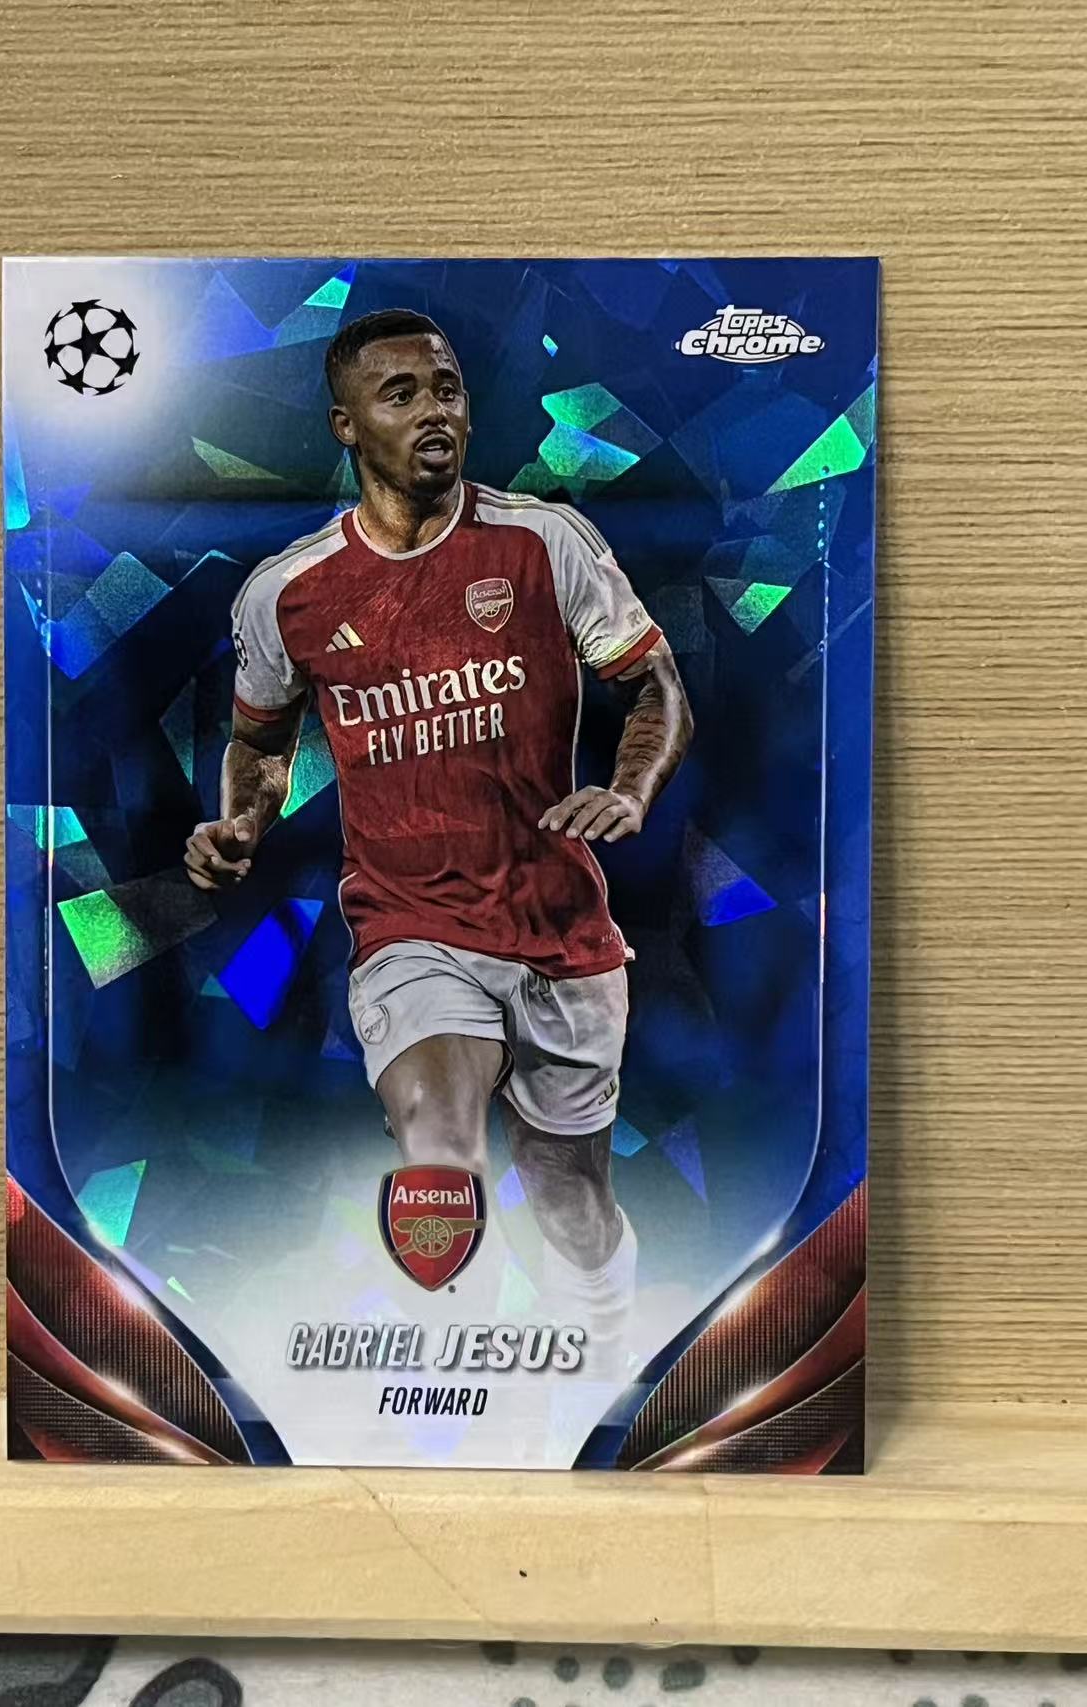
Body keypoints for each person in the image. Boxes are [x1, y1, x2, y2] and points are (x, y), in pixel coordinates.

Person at [186, 308, 692, 1376]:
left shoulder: (543, 542)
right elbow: (260, 745)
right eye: (401, 394)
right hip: (409, 927)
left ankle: (604, 1359)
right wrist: (243, 819)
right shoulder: (288, 593)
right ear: (345, 425)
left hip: (559, 930)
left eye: (448, 389)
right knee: (439, 1144)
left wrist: (628, 787)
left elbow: (652, 686)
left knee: (571, 1202)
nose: (435, 412)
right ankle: (448, 1380)